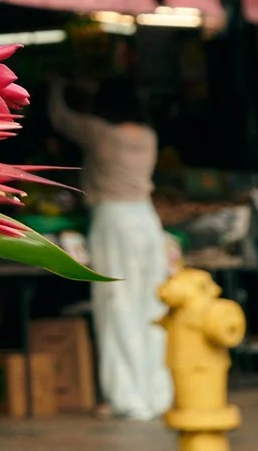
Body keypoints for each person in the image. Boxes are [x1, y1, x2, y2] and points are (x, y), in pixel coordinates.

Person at [50, 77, 173, 421]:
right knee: (151, 306)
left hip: (114, 220)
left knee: (116, 305)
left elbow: (59, 118)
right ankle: (158, 394)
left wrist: (56, 86)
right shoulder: (149, 136)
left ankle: (127, 398)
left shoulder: (101, 132)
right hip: (147, 221)